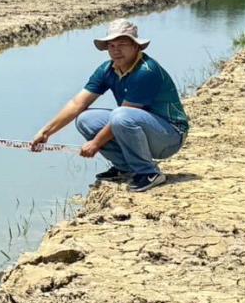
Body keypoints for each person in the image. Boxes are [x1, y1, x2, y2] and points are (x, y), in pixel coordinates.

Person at [30, 18, 188, 192]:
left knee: (121, 115)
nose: (116, 50)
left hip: (170, 135)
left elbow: (128, 113)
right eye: (111, 46)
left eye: (122, 44)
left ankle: (148, 172)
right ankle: (125, 167)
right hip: (139, 125)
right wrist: (46, 132)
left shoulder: (146, 71)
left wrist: (95, 143)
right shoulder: (107, 69)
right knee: (85, 119)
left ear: (136, 46)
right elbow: (78, 103)